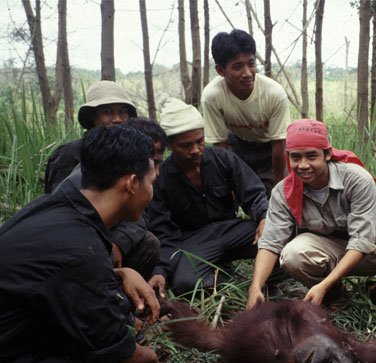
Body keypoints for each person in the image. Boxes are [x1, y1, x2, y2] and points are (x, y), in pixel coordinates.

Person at [0, 127, 166, 363]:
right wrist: (149, 358)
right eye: (151, 182)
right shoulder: (77, 248)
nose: (152, 192)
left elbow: (60, 281)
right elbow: (115, 355)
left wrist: (121, 272)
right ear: (131, 184)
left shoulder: (57, 210)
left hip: (0, 356)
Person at [246, 118, 376, 309]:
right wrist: (256, 287)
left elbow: (362, 241)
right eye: (296, 157)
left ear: (327, 154)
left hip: (370, 247)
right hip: (326, 251)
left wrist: (324, 284)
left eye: (311, 156)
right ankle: (334, 294)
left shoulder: (356, 179)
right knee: (292, 255)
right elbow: (270, 243)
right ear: (288, 157)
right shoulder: (283, 191)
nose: (303, 165)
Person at [146, 99, 268, 296]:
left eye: (199, 142)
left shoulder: (223, 158)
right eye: (185, 145)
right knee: (185, 284)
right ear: (169, 145)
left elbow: (253, 193)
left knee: (279, 235)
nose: (195, 150)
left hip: (233, 231)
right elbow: (164, 233)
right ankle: (228, 284)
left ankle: (269, 279)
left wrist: (264, 217)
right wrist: (161, 271)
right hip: (195, 242)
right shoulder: (161, 179)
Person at [55, 117, 168, 281]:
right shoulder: (87, 187)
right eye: (153, 163)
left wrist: (119, 243)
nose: (156, 173)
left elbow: (143, 217)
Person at [201, 29, 290, 196]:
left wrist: (279, 188)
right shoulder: (212, 96)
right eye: (237, 67)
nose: (247, 73)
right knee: (224, 194)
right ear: (221, 71)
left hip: (269, 148)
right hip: (238, 145)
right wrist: (228, 183)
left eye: (251, 63)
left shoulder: (274, 94)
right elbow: (220, 146)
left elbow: (279, 145)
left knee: (275, 199)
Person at [44, 80, 138, 193]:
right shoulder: (70, 154)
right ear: (93, 117)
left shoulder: (133, 154)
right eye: (107, 112)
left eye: (123, 111)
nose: (117, 119)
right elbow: (57, 202)